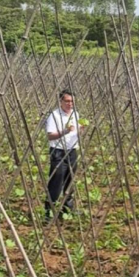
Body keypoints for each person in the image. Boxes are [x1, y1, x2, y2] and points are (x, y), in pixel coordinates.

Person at [45, 89, 81, 220]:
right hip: (58, 153)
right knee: (56, 182)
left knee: (70, 181)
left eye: (72, 101)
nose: (70, 104)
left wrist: (80, 131)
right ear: (61, 102)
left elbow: (75, 133)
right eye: (67, 101)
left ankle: (67, 209)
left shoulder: (75, 114)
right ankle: (49, 212)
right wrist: (65, 131)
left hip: (72, 151)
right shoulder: (54, 116)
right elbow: (50, 136)